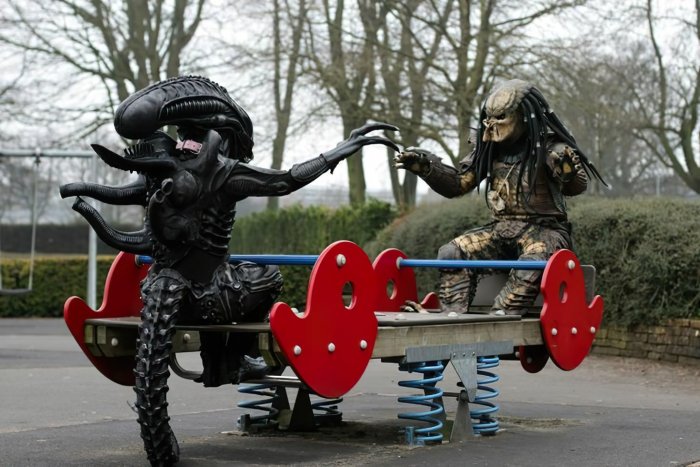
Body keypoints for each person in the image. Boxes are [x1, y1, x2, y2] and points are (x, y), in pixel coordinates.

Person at [394, 79, 605, 316]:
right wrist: (426, 168)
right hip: (499, 230)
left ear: (524, 116)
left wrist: (568, 171)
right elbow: (458, 184)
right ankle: (451, 316)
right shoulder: (488, 149)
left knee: (533, 261)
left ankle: (501, 317)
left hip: (545, 232)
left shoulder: (550, 148)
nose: (491, 125)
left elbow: (575, 187)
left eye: (501, 117)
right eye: (488, 118)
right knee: (451, 253)